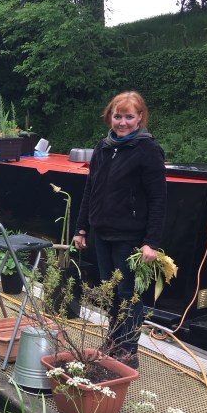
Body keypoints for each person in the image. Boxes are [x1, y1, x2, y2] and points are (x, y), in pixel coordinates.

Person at [73, 91, 167, 369]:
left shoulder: (148, 150)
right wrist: (81, 228)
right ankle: (114, 341)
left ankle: (129, 350)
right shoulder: (103, 146)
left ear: (140, 117)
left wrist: (151, 242)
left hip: (130, 236)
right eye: (117, 116)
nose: (122, 122)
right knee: (111, 290)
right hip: (102, 233)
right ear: (109, 117)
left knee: (128, 294)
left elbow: (159, 199)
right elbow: (90, 189)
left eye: (129, 116)